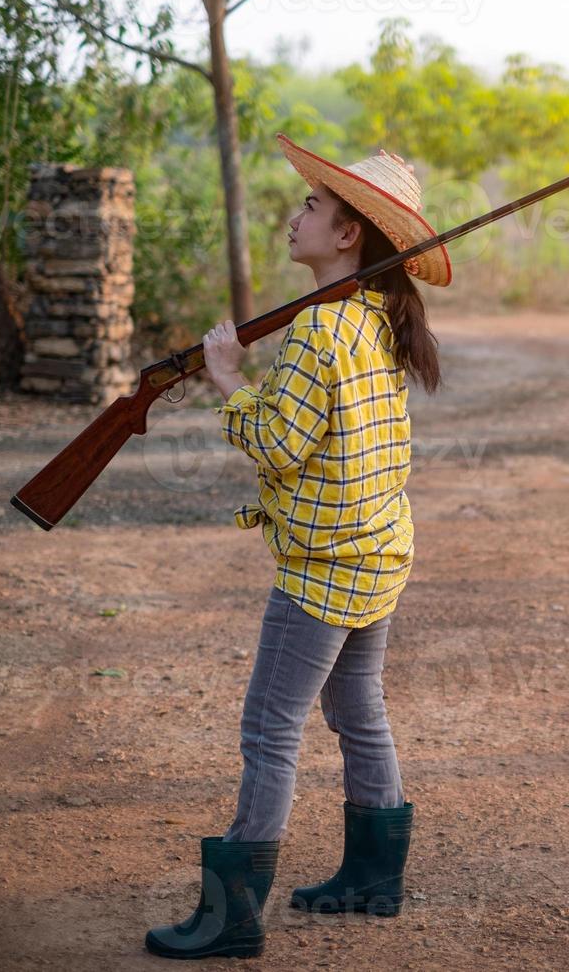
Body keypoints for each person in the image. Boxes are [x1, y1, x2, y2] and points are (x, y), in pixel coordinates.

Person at [145, 135, 452, 961]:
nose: (296, 215)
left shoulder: (320, 330)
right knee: (358, 707)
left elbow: (279, 445)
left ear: (350, 235)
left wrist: (226, 377)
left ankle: (232, 914)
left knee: (270, 728)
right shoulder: (377, 317)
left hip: (322, 570)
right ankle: (372, 880)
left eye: (313, 206)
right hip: (378, 552)